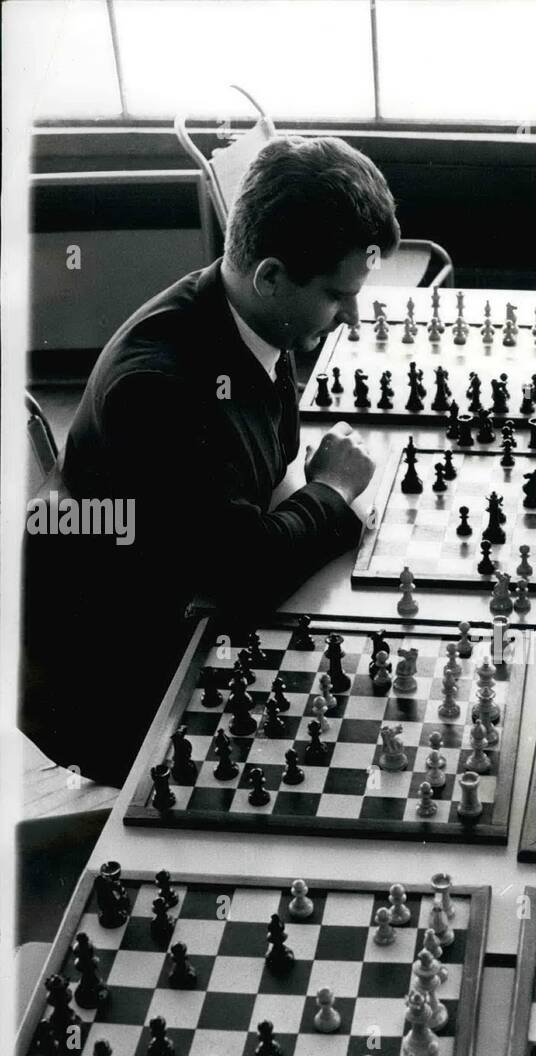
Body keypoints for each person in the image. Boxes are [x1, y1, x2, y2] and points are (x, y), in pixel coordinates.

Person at [21, 136, 400, 787]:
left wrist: (300, 509)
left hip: (181, 594)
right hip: (113, 681)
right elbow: (241, 574)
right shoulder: (158, 391)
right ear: (271, 276)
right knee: (332, 760)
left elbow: (268, 472)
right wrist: (332, 493)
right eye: (339, 296)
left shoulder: (249, 314)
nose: (354, 319)